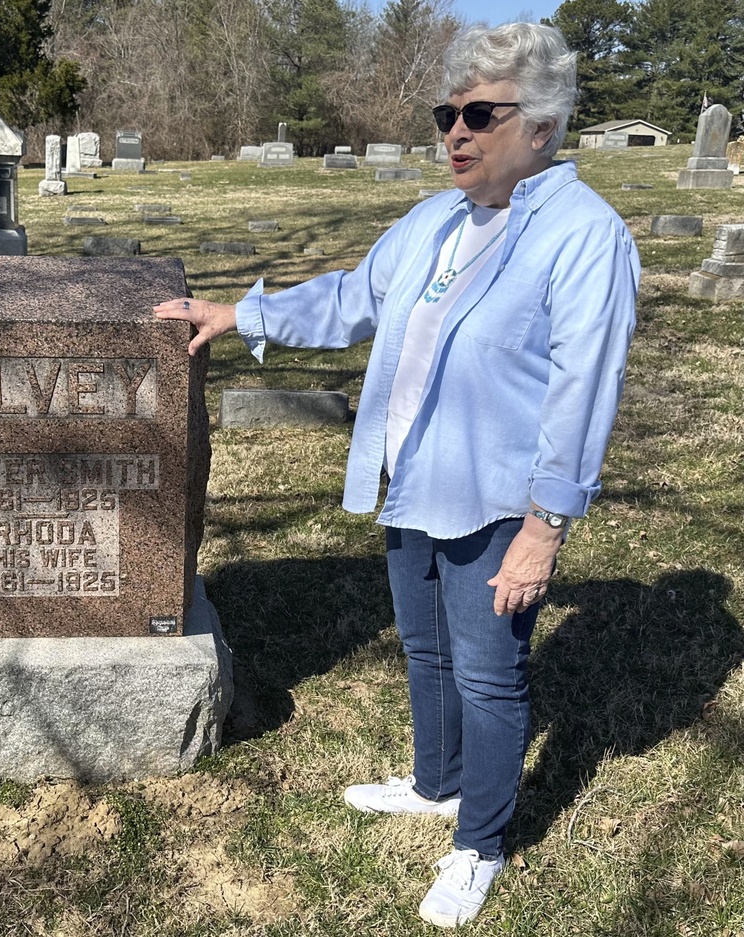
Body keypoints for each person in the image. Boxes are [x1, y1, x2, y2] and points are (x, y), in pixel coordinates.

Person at [154, 22, 639, 929]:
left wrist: (545, 527)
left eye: (478, 113)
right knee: (426, 648)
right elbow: (351, 299)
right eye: (446, 112)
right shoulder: (433, 221)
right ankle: (438, 782)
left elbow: (585, 389)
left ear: (540, 126)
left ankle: (482, 842)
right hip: (411, 476)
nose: (454, 132)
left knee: (491, 678)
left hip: (499, 500)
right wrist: (241, 312)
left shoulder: (585, 237)